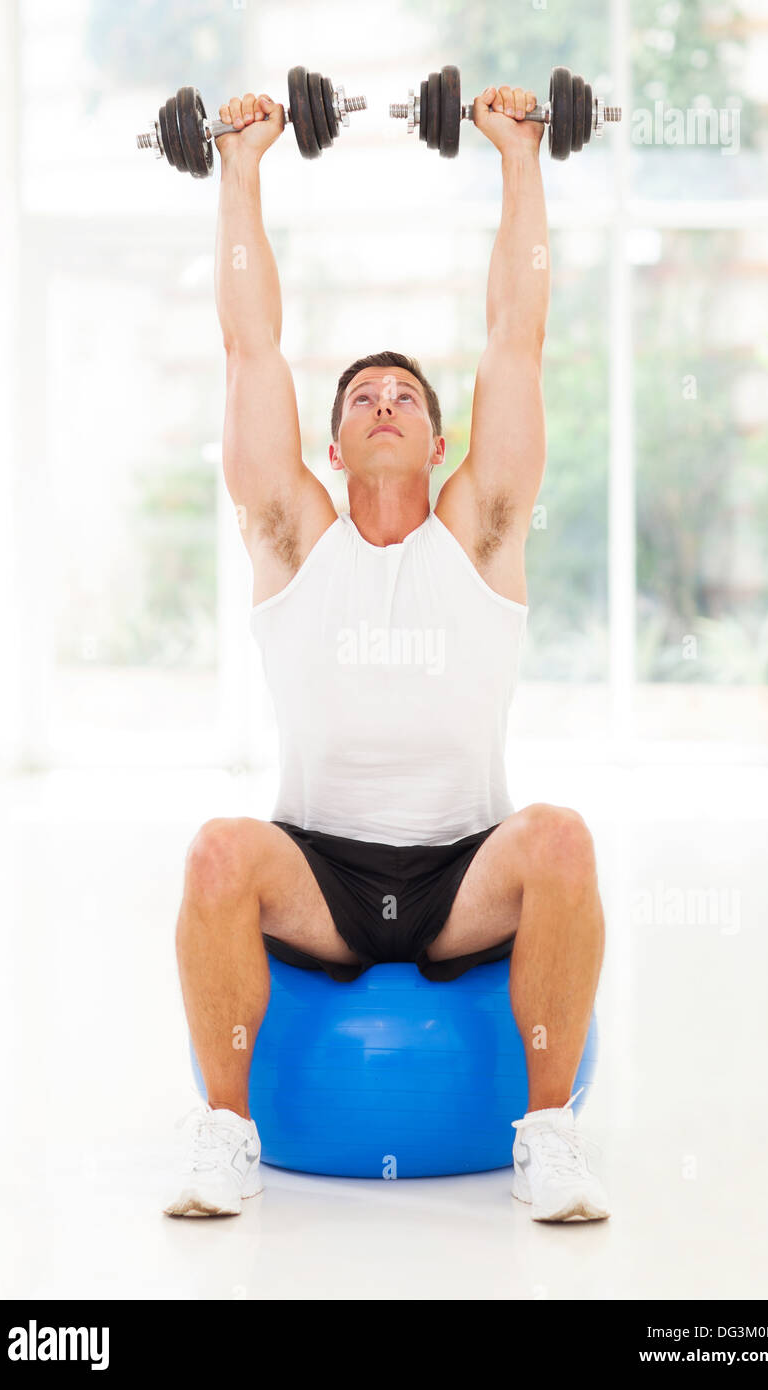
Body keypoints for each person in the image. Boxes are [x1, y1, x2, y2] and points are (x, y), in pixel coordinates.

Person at [165, 81, 609, 1222]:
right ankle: (225, 1135)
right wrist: (242, 166)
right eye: (360, 394)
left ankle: (548, 1137)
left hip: (465, 867)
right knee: (219, 850)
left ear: (437, 434)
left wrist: (518, 155)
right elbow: (246, 344)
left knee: (559, 837)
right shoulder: (290, 535)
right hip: (320, 870)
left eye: (403, 393)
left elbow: (519, 337)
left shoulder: (482, 531)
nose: (381, 402)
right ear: (328, 442)